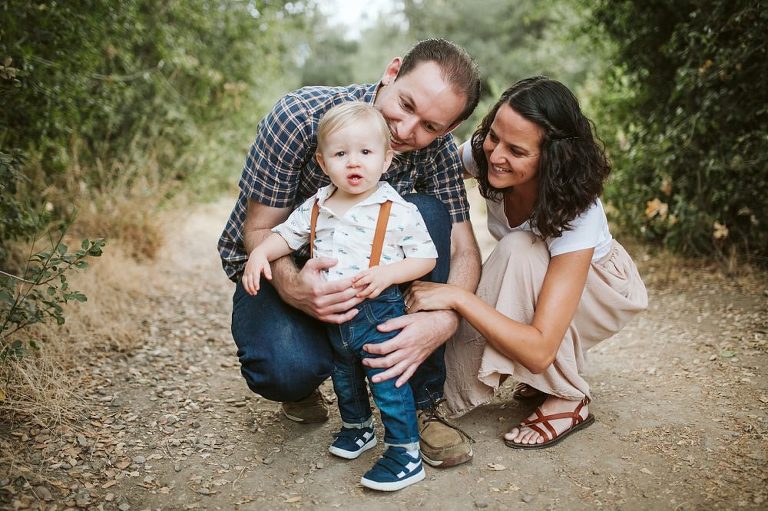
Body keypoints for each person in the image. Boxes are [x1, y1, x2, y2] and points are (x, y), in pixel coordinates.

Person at [217, 38, 482, 467]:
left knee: (428, 211)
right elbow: (260, 231)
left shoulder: (437, 152)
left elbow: (464, 248)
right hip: (291, 266)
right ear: (391, 72)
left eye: (431, 126)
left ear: (448, 130)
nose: (406, 130)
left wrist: (445, 318)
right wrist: (295, 288)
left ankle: (420, 403)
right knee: (284, 368)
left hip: (377, 286)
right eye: (405, 105)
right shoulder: (299, 118)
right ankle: (309, 375)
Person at [405, 76, 648, 449]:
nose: (496, 155)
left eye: (517, 151)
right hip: (539, 270)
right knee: (518, 252)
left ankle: (569, 396)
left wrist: (458, 297)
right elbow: (432, 167)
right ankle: (487, 385)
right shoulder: (487, 153)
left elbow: (539, 349)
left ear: (553, 158)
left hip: (602, 289)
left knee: (518, 251)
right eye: (494, 137)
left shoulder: (578, 211)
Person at [243, 102, 435, 490]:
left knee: (386, 379)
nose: (354, 162)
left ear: (386, 159)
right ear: (322, 160)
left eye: (366, 152)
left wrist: (387, 274)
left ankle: (405, 451)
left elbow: (425, 257)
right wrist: (260, 254)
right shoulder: (317, 204)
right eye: (341, 153)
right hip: (333, 313)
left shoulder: (395, 209)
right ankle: (357, 427)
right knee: (345, 375)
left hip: (378, 311)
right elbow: (284, 236)